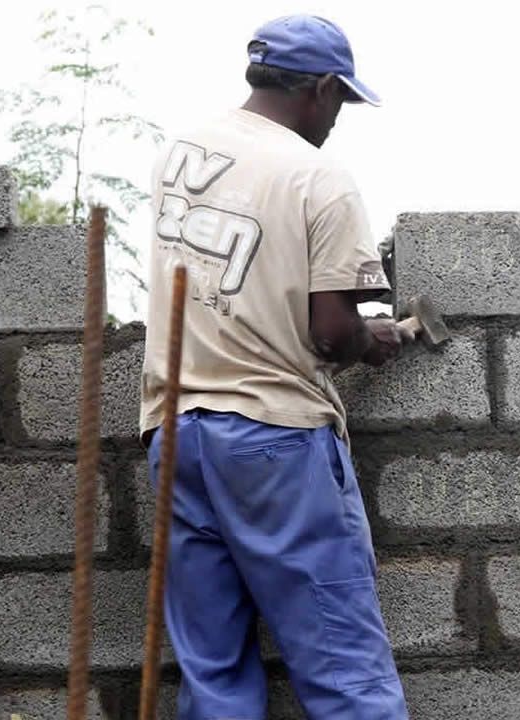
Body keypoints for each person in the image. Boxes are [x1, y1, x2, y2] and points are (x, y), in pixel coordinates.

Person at [137, 14, 412, 719]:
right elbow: (327, 333)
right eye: (340, 103)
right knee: (345, 673)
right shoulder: (317, 177)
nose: (335, 120)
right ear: (320, 89)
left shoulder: (185, 151)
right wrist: (369, 339)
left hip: (177, 436)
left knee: (214, 677)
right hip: (274, 443)